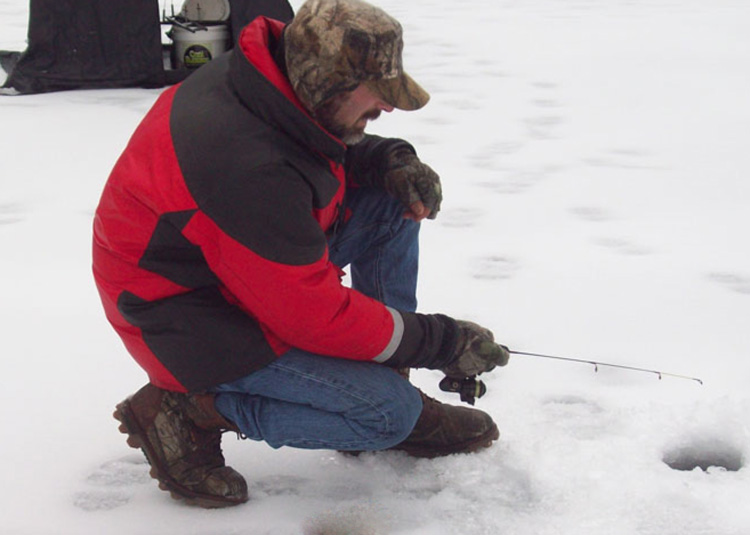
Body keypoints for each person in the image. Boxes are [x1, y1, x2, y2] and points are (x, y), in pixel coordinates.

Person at [93, 0, 510, 509]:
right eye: (376, 94)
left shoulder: (270, 81)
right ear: (327, 81)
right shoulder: (244, 167)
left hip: (238, 268)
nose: (388, 107)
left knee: (388, 201)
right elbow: (311, 316)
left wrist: (387, 159)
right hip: (185, 315)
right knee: (385, 416)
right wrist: (439, 341)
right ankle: (191, 409)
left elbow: (311, 146)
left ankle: (381, 369)